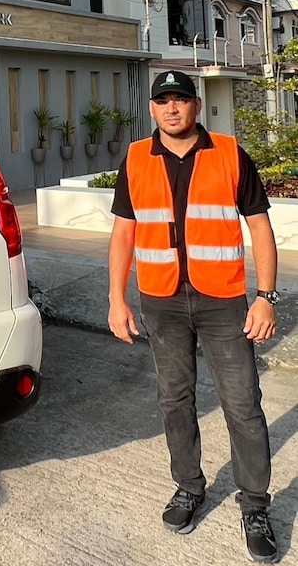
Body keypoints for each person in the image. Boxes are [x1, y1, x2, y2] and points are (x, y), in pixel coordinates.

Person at [107, 69, 280, 564]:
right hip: (161, 300)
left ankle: (254, 506)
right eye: (163, 101)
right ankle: (189, 487)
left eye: (181, 99)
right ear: (152, 109)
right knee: (175, 400)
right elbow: (123, 233)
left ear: (196, 107)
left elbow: (260, 227)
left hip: (223, 300)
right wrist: (116, 299)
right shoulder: (136, 158)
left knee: (243, 405)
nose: (172, 108)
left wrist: (266, 295)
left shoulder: (228, 153)